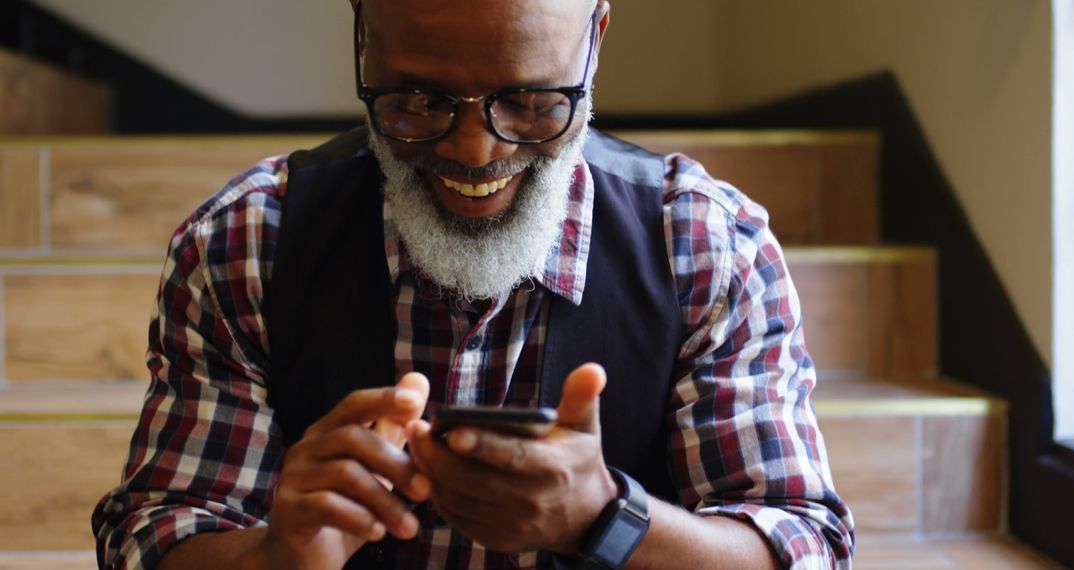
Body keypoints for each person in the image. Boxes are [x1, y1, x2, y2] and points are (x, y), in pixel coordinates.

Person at [92, 0, 856, 568]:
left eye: (530, 102)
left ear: (595, 39)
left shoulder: (705, 246)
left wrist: (607, 519)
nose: (474, 151)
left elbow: (803, 544)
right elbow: (152, 534)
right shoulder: (245, 244)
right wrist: (274, 558)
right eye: (416, 101)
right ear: (362, 34)